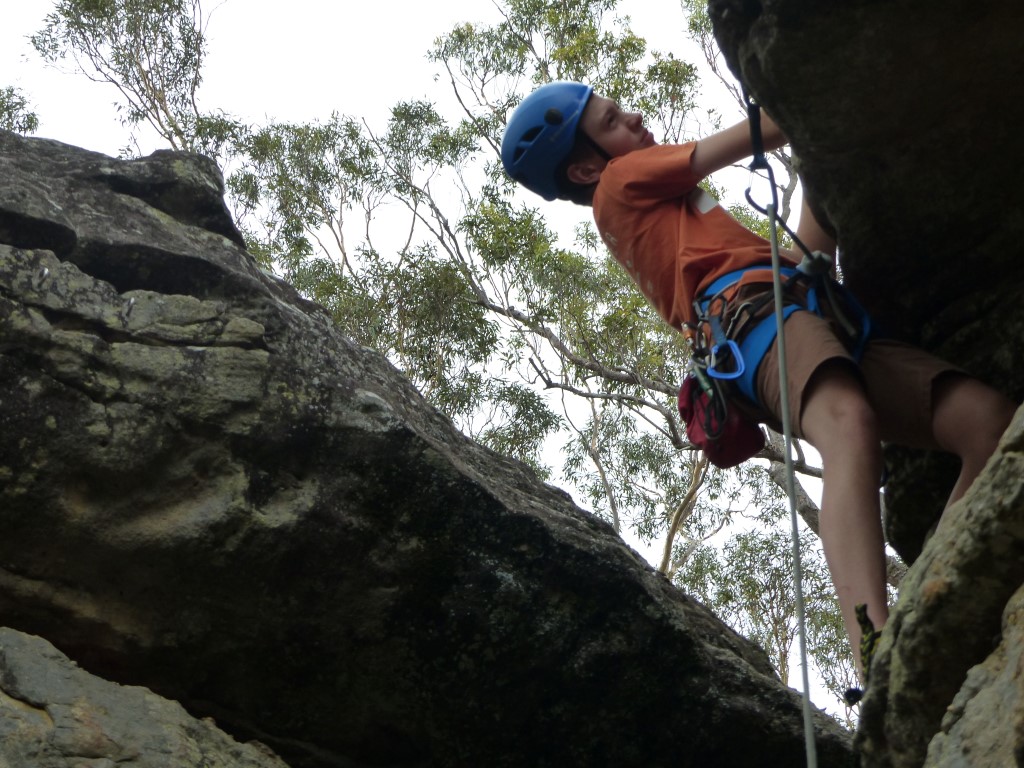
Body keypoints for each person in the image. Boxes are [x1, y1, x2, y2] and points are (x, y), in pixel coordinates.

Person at [501, 81, 1018, 682]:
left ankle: (934, 591)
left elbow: (796, 259)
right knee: (846, 424)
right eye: (612, 120)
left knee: (988, 423)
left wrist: (819, 173)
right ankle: (874, 647)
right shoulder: (620, 181)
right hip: (751, 323)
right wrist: (814, 86)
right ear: (587, 167)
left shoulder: (666, 216)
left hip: (795, 311)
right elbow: (763, 129)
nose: (635, 117)